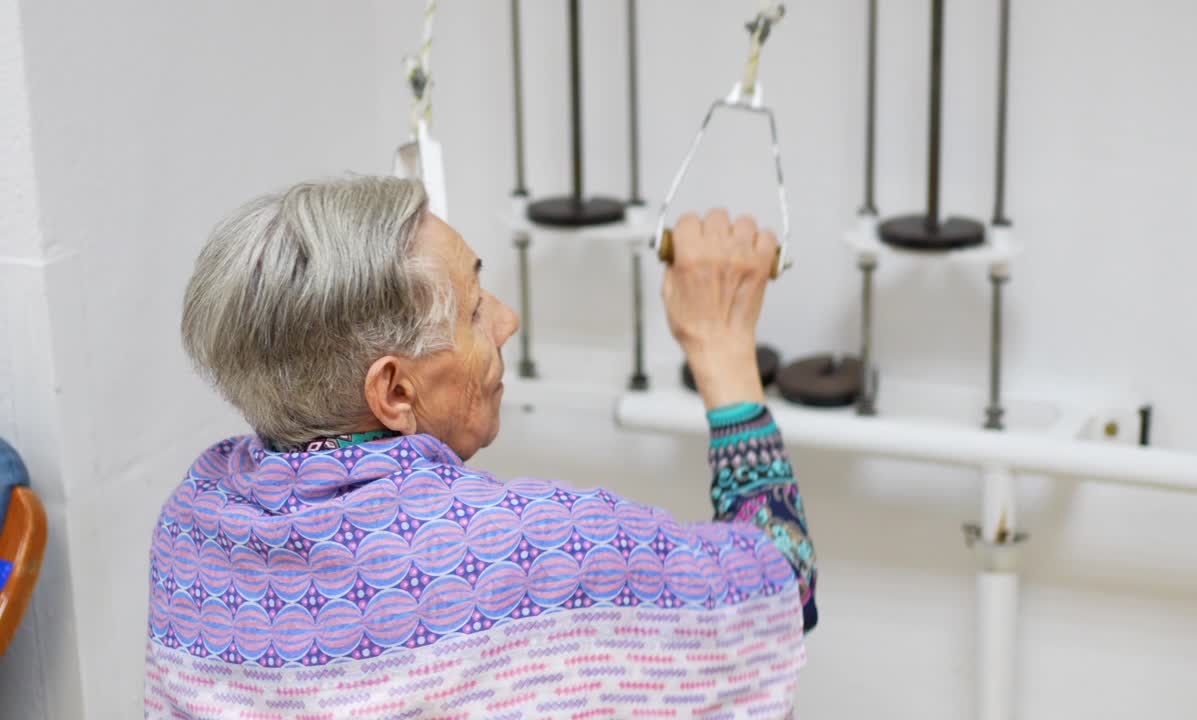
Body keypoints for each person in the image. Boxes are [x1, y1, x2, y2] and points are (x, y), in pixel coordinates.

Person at [144, 177, 816, 719]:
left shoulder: (190, 528)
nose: (505, 320)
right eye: (472, 311)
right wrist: (722, 349)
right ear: (395, 393)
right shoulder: (541, 547)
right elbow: (783, 580)